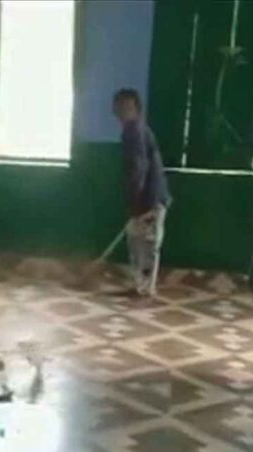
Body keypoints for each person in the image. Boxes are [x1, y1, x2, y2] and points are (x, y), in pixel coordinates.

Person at [112, 88, 171, 297]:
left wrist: (138, 203)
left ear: (135, 108)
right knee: (137, 243)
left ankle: (145, 289)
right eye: (118, 106)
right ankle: (140, 286)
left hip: (150, 202)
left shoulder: (134, 131)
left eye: (126, 106)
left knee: (146, 245)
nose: (120, 111)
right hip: (145, 202)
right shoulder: (134, 130)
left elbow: (139, 169)